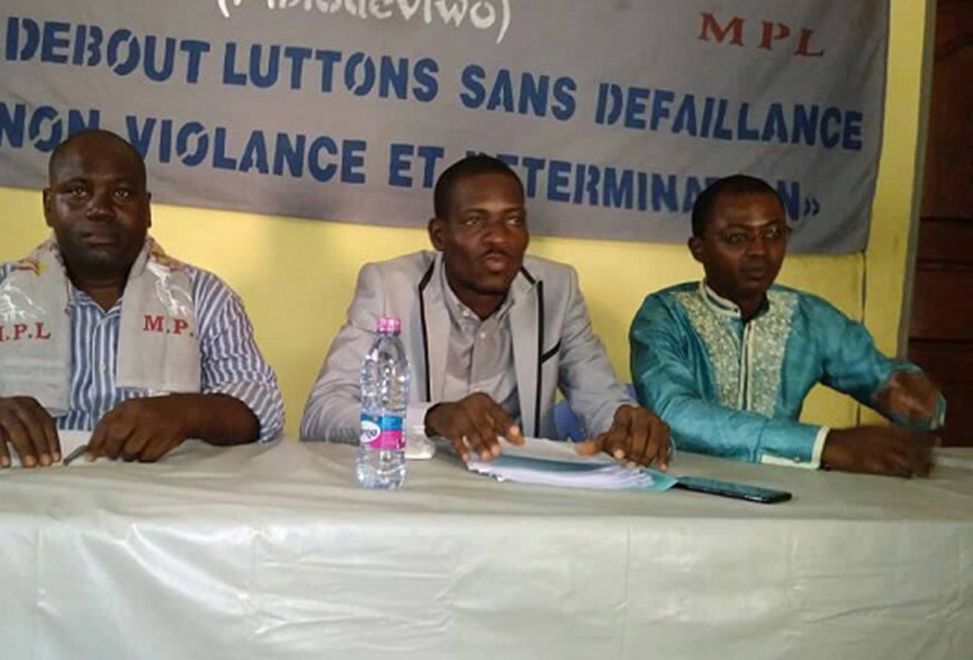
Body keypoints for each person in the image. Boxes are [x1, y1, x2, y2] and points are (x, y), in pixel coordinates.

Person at [0, 129, 284, 466]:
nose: (100, 209)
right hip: (21, 495)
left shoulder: (205, 297)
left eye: (122, 194)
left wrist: (186, 413)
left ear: (147, 209)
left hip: (159, 507)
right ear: (49, 206)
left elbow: (261, 404)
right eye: (77, 192)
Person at [301, 154, 671, 467]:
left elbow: (600, 396)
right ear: (439, 235)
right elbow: (322, 412)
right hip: (420, 486)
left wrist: (625, 424)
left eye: (513, 220)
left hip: (521, 490)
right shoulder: (389, 287)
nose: (498, 237)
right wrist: (432, 417)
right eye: (475, 221)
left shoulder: (557, 290)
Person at [630, 174, 944, 477]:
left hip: (786, 491)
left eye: (773, 234)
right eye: (737, 238)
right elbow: (676, 414)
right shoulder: (665, 315)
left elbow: (878, 375)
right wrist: (824, 445)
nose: (759, 250)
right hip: (683, 485)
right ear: (698, 249)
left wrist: (915, 399)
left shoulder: (808, 316)